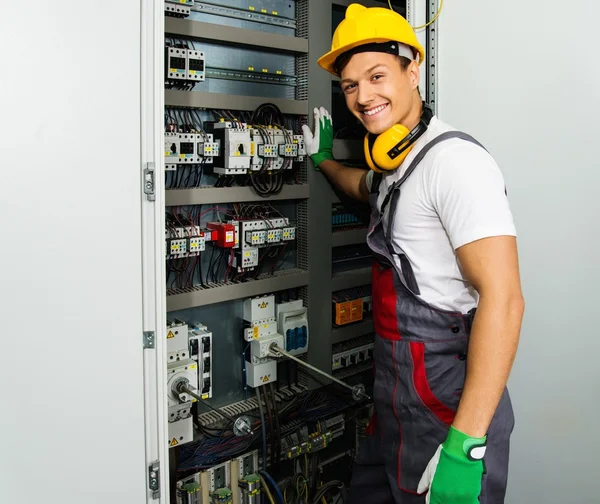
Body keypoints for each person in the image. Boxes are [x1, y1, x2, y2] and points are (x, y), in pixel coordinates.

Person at [301, 4, 525, 504]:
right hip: (396, 399)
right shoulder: (396, 165)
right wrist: (323, 162)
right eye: (351, 85)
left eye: (376, 76)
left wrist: (464, 446)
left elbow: (505, 300)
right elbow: (362, 187)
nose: (362, 97)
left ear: (412, 70)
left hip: (446, 406)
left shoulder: (456, 164)